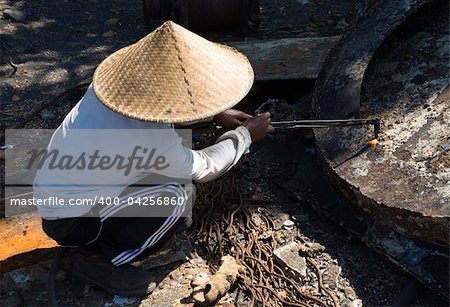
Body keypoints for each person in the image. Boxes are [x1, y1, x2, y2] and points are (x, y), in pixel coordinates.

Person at [33, 21, 273, 296]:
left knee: (172, 195)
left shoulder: (110, 91)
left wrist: (217, 112)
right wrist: (245, 136)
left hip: (59, 191)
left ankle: (116, 234)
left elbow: (174, 102)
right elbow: (205, 167)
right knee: (179, 193)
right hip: (71, 221)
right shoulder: (149, 138)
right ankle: (96, 259)